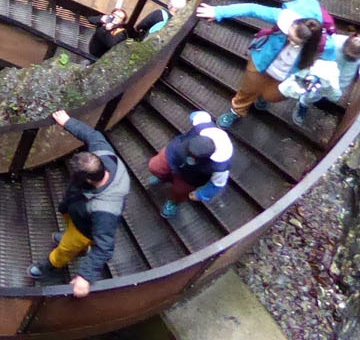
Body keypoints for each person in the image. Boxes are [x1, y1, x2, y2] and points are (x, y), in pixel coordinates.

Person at [28, 109, 130, 297]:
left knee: (66, 248)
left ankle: (50, 266)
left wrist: (85, 276)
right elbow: (92, 135)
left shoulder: (105, 210)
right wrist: (68, 122)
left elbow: (105, 247)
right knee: (70, 233)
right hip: (78, 211)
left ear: (89, 180)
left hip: (84, 229)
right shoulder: (103, 155)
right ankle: (74, 242)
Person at [195, 0, 326, 127]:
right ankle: (237, 111)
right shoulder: (285, 18)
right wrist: (219, 12)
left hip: (284, 76)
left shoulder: (322, 44)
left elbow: (328, 64)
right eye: (288, 35)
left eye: (294, 40)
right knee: (248, 91)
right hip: (261, 63)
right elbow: (252, 9)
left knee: (271, 96)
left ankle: (263, 97)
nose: (289, 39)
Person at [145, 110, 232, 218]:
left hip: (192, 176)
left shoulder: (220, 165)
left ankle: (173, 202)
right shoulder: (203, 127)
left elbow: (217, 184)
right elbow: (197, 115)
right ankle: (163, 176)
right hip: (175, 154)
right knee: (155, 166)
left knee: (180, 191)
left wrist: (200, 195)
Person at [279, 29, 360, 124]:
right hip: (324, 77)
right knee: (312, 94)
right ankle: (303, 104)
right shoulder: (334, 42)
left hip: (342, 83)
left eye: (353, 59)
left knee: (331, 95)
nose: (349, 59)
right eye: (347, 56)